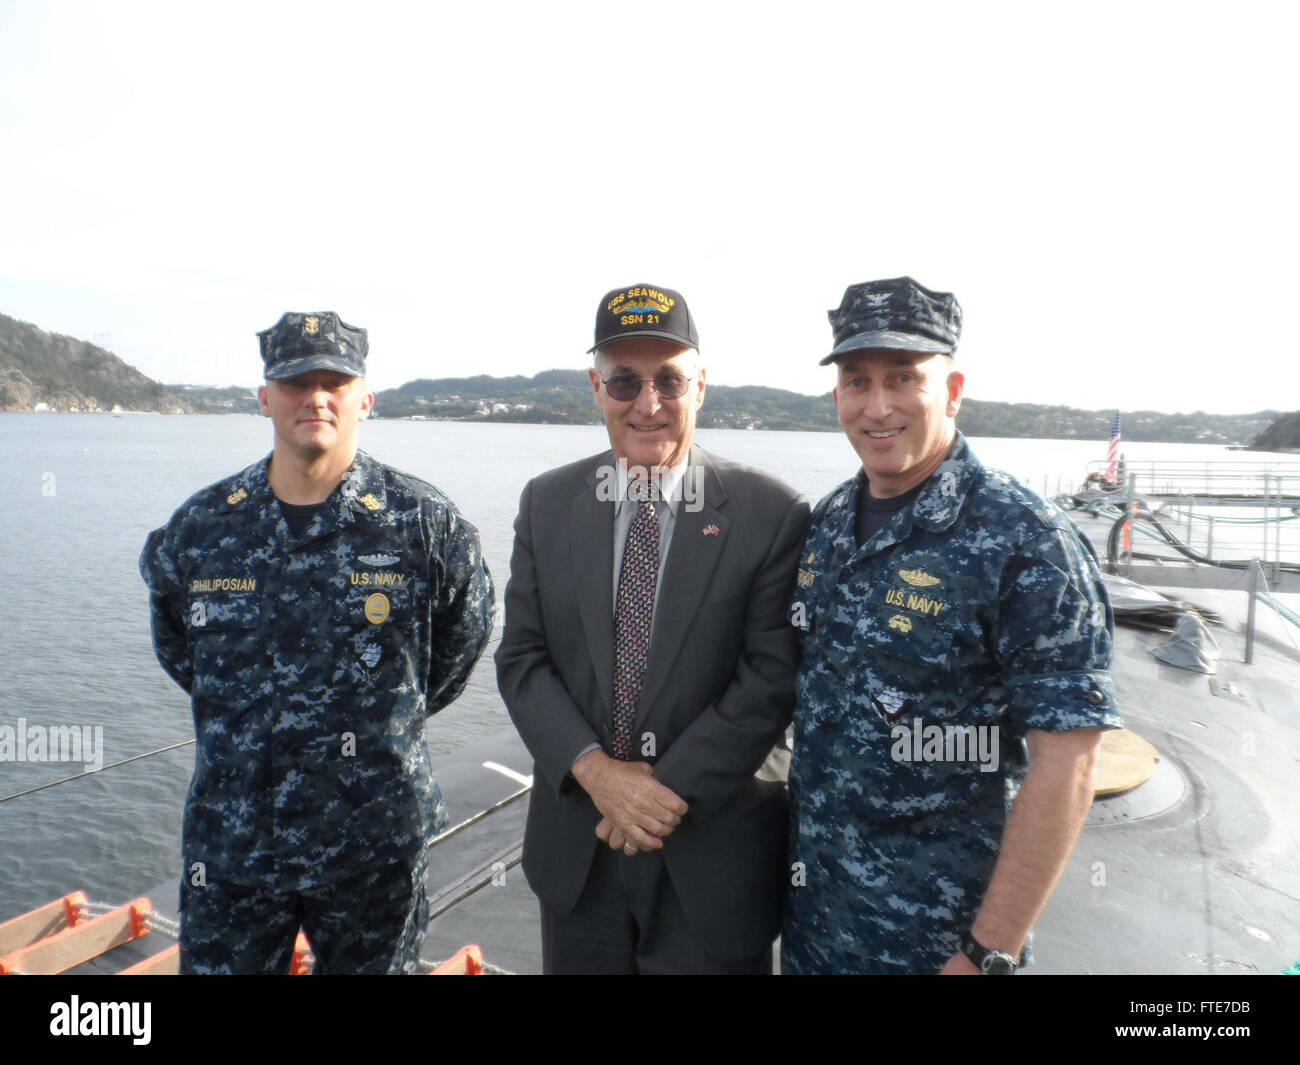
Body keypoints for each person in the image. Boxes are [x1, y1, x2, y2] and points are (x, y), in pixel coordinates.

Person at [782, 277, 1122, 975]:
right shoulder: (825, 528)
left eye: (904, 377)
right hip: (817, 931)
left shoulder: (1026, 540)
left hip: (937, 948)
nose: (877, 406)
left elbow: (1068, 763)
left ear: (953, 388)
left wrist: (987, 951)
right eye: (856, 380)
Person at [139, 311, 494, 974]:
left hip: (372, 845)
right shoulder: (201, 528)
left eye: (335, 380)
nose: (316, 396)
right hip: (235, 843)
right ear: (265, 397)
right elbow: (179, 648)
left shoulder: (424, 527)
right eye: (296, 381)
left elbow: (453, 652)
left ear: (366, 396)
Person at [495, 283, 809, 973]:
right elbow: (521, 657)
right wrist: (597, 773)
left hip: (713, 860)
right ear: (595, 387)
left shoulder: (771, 513)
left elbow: (770, 679)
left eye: (669, 379)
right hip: (579, 858)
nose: (648, 402)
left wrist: (650, 796)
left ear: (701, 385)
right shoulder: (547, 503)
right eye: (624, 381)